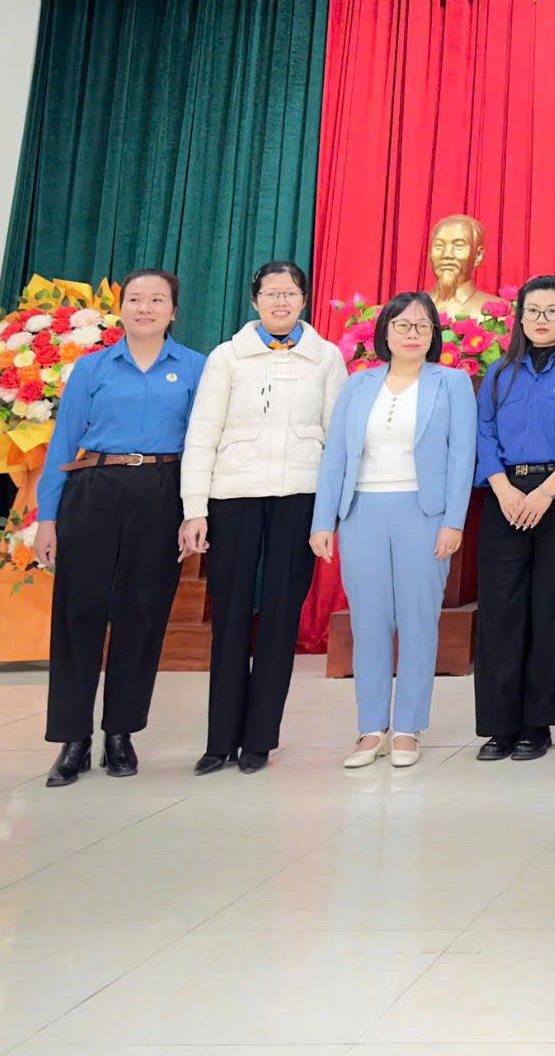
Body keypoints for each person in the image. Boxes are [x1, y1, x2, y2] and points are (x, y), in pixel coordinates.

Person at [32, 269, 204, 787]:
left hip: (162, 492)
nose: (144, 308)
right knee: (78, 612)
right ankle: (73, 739)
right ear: (121, 308)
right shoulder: (92, 367)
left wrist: (194, 510)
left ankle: (120, 734)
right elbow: (63, 444)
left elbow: (203, 445)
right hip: (94, 489)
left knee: (142, 612)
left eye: (157, 300)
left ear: (174, 311)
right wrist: (47, 518)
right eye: (135, 299)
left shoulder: (195, 367)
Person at [179, 261, 348, 775]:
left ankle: (258, 740)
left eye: (290, 293)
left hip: (299, 498)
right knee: (231, 615)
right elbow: (202, 433)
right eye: (271, 293)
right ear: (255, 301)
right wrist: (195, 508)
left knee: (280, 617)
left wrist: (329, 515)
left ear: (304, 300)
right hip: (234, 497)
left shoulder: (326, 357)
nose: (280, 302)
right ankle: (219, 740)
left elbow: (338, 440)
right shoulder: (227, 357)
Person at [310, 292, 476, 770]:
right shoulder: (358, 384)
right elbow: (336, 455)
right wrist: (323, 521)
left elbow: (462, 456)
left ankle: (407, 728)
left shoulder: (452, 383)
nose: (411, 333)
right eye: (402, 324)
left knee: (419, 621)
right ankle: (370, 729)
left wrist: (453, 521)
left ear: (434, 334)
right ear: (384, 331)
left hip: (423, 513)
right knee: (369, 623)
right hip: (361, 512)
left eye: (422, 326)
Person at [472, 276, 555, 762]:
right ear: (520, 317)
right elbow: (484, 435)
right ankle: (500, 725)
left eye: (553, 311)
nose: (542, 320)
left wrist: (545, 491)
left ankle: (537, 725)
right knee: (501, 611)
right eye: (533, 311)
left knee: (552, 609)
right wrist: (503, 489)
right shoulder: (500, 373)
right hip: (504, 498)